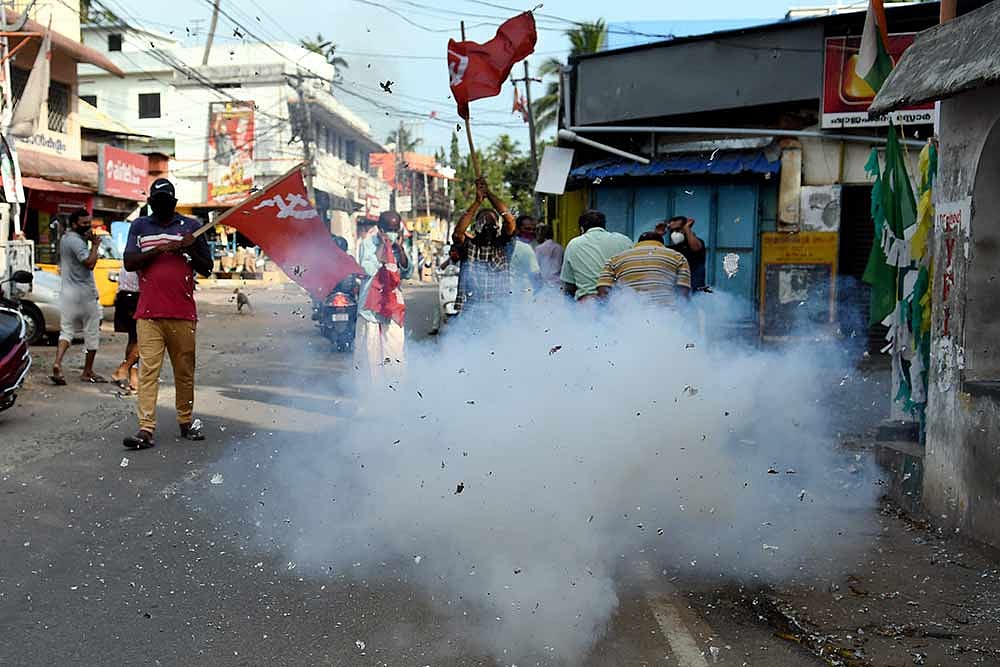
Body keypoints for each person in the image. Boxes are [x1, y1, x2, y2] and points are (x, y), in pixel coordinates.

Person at [121, 178, 214, 449]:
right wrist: (159, 249)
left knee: (184, 371)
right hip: (149, 314)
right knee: (148, 371)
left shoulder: (192, 228)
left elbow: (207, 267)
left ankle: (185, 422)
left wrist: (190, 247)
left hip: (182, 313)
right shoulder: (139, 226)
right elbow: (129, 262)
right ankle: (145, 429)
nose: (162, 208)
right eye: (157, 203)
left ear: (174, 204)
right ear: (150, 203)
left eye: (167, 203)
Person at [50, 209, 105, 385]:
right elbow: (89, 263)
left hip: (68, 294)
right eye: (84, 223)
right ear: (74, 224)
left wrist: (88, 241)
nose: (88, 226)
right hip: (85, 295)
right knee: (91, 332)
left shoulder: (66, 238)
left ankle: (57, 363)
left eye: (89, 222)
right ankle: (87, 371)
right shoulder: (77, 242)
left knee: (66, 331)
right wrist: (95, 245)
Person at [355, 211, 411, 381]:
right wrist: (383, 247)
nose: (392, 233)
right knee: (369, 359)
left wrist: (399, 249)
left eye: (395, 229)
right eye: (389, 229)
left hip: (393, 308)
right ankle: (370, 400)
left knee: (394, 356)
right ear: (380, 229)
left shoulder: (400, 245)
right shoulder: (367, 244)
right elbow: (369, 270)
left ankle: (393, 399)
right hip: (370, 309)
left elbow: (407, 271)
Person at [452, 177, 517, 315]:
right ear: (476, 227)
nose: (488, 227)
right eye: (483, 222)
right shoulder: (469, 245)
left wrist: (489, 193)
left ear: (497, 227)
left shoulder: (503, 245)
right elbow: (458, 233)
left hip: (498, 311)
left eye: (492, 223)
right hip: (471, 310)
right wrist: (477, 202)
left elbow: (510, 220)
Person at [597, 231, 691, 308]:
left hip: (627, 315)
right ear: (662, 244)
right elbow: (682, 294)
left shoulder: (615, 259)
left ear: (638, 243)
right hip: (666, 315)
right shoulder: (677, 257)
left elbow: (603, 291)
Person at [560, 209, 632, 302]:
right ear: (604, 226)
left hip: (588, 304)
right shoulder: (624, 241)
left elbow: (569, 286)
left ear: (582, 229)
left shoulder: (574, 244)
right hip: (619, 302)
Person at [110, 267, 141, 392]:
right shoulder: (145, 251)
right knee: (145, 338)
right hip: (136, 296)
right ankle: (124, 368)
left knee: (134, 338)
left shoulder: (132, 251)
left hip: (124, 295)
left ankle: (133, 378)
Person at [656, 216, 706, 290]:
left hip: (696, 290)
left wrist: (687, 228)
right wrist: (658, 234)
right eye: (672, 230)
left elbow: (696, 248)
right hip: (677, 291)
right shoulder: (671, 249)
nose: (674, 233)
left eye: (678, 229)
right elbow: (654, 253)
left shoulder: (697, 242)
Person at [533, 223, 564, 289]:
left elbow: (536, 270)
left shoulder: (539, 249)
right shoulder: (559, 247)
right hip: (558, 285)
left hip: (544, 286)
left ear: (541, 234)